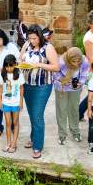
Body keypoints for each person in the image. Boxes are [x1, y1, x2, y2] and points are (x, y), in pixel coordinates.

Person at [20, 25, 60, 159]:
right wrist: (20, 63)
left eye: (34, 38)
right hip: (27, 84)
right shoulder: (27, 45)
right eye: (30, 38)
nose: (32, 41)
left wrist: (38, 65)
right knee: (32, 114)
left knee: (37, 115)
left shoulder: (47, 48)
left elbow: (56, 67)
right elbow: (20, 60)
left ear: (40, 36)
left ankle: (37, 146)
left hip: (42, 86)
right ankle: (33, 138)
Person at [53, 47, 90, 144]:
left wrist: (81, 82)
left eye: (78, 61)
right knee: (62, 110)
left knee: (74, 109)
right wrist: (63, 79)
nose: (76, 63)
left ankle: (75, 132)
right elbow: (54, 73)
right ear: (68, 59)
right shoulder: (61, 61)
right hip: (61, 87)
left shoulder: (84, 60)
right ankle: (62, 135)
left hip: (75, 88)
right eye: (73, 61)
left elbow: (85, 73)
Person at [0, 54, 24, 153]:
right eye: (6, 66)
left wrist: (21, 101)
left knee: (15, 123)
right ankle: (8, 143)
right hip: (6, 102)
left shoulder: (19, 74)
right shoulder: (2, 74)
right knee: (8, 123)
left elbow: (21, 89)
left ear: (15, 64)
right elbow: (0, 89)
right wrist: (0, 101)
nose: (9, 68)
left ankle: (14, 143)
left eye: (11, 66)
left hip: (16, 103)